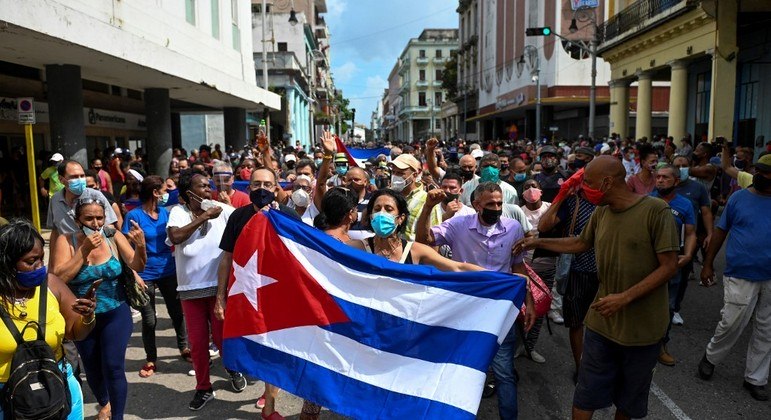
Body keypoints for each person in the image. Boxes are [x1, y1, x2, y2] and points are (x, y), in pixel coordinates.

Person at [516, 156, 679, 420]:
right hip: (601, 325)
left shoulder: (655, 211)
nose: (584, 188)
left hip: (643, 330)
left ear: (606, 182)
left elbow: (669, 266)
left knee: (628, 401)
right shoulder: (602, 212)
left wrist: (624, 298)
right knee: (586, 394)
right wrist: (536, 242)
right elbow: (580, 243)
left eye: (588, 183)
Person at [416, 182, 535, 420]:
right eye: (490, 203)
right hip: (465, 308)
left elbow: (518, 267)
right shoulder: (458, 225)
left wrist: (529, 302)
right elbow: (425, 239)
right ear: (476, 205)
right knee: (456, 368)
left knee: (503, 372)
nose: (497, 207)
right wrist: (428, 207)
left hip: (501, 309)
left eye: (500, 203)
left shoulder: (513, 228)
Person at [50, 198, 147, 420]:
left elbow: (137, 265)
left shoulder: (113, 236)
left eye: (99, 218)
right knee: (92, 368)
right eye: (89, 218)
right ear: (77, 221)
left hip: (116, 311)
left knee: (113, 366)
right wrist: (83, 250)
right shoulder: (67, 241)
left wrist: (141, 246)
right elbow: (59, 278)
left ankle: (118, 416)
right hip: (82, 317)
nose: (95, 223)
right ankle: (105, 402)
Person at [216, 167, 299, 419]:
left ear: (276, 188)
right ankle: (265, 385)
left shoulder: (288, 216)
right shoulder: (237, 217)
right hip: (246, 292)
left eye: (267, 184)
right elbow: (226, 256)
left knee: (273, 346)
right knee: (253, 345)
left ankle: (270, 403)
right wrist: (220, 296)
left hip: (278, 293)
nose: (261, 189)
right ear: (248, 187)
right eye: (256, 184)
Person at [0, 219, 97, 420]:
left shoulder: (52, 285)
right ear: (7, 263)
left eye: (41, 259)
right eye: (30, 261)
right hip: (8, 399)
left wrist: (87, 316)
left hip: (58, 389)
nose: (40, 266)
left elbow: (76, 332)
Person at [166, 171, 243, 411]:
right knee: (198, 343)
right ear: (188, 194)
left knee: (222, 338)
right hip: (190, 290)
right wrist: (204, 216)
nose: (208, 190)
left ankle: (231, 367)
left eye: (208, 186)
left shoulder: (223, 210)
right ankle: (203, 388)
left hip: (219, 288)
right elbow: (176, 236)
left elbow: (246, 220)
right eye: (201, 187)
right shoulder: (178, 213)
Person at [698, 158, 771, 401]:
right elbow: (721, 232)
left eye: (769, 173)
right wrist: (708, 264)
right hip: (741, 273)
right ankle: (711, 357)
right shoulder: (738, 198)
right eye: (760, 171)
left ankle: (756, 378)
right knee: (732, 322)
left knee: (767, 329)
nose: (764, 176)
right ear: (754, 172)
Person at [538, 164, 599, 383]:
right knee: (576, 322)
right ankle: (581, 367)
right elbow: (544, 226)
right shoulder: (572, 202)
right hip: (578, 271)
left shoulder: (611, 203)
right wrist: (562, 195)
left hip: (607, 272)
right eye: (586, 181)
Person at [123, 175, 189, 378]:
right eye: (164, 189)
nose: (166, 193)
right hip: (145, 274)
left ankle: (184, 348)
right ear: (155, 192)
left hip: (168, 271)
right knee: (149, 319)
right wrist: (134, 274)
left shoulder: (166, 214)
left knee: (177, 313)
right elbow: (125, 248)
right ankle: (151, 358)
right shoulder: (133, 216)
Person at [650, 165, 697, 366]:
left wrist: (687, 255)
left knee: (667, 306)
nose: (660, 180)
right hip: (647, 262)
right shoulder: (646, 201)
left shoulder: (685, 204)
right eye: (658, 177)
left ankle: (661, 345)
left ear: (676, 181)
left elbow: (691, 233)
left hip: (672, 263)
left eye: (665, 177)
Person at [671, 154, 713, 325]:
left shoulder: (697, 188)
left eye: (684, 166)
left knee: (681, 277)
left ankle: (674, 309)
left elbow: (706, 211)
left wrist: (710, 233)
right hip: (664, 240)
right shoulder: (663, 186)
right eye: (677, 166)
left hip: (688, 240)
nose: (681, 169)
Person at [388, 154, 427, 241]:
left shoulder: (426, 200)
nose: (395, 176)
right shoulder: (387, 196)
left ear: (415, 175)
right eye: (393, 172)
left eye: (400, 173)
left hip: (413, 252)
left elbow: (433, 236)